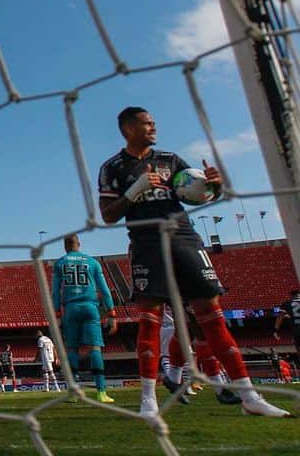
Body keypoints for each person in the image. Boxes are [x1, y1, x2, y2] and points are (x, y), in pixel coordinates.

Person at [98, 107, 290, 418]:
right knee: (150, 321)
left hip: (184, 238)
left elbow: (195, 193)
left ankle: (249, 396)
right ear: (128, 128)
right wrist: (135, 191)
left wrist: (214, 187)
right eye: (147, 124)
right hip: (147, 243)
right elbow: (108, 215)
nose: (153, 127)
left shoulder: (170, 160)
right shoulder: (113, 168)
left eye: (153, 122)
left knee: (211, 317)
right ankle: (149, 401)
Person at [50, 234, 116, 403]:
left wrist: (57, 313)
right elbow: (105, 290)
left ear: (65, 246)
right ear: (79, 244)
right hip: (90, 307)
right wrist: (111, 313)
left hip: (70, 308)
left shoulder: (60, 263)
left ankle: (73, 393)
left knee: (72, 349)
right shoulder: (92, 262)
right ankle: (101, 392)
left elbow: (55, 292)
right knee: (95, 349)